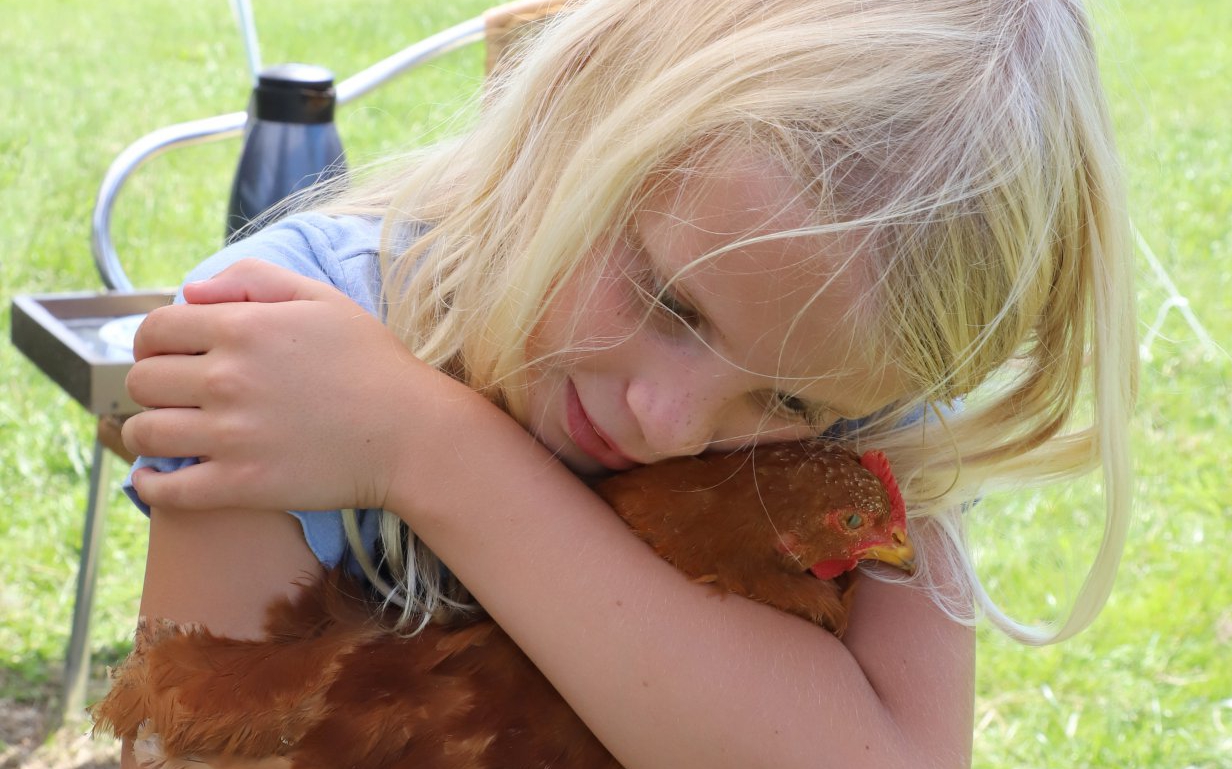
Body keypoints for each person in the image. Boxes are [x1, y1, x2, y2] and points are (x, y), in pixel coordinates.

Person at [116, 0, 1135, 766]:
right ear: (576, 101)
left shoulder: (868, 389)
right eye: (670, 304)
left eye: (789, 405)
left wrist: (432, 455)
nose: (672, 424)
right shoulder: (294, 336)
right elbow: (202, 736)